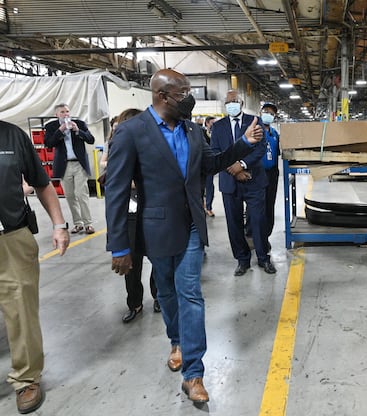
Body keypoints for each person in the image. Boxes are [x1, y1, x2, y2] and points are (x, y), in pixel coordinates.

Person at [105, 69, 263, 405]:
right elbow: (116, 191)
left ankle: (193, 373)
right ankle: (176, 339)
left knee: (190, 293)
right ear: (162, 95)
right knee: (167, 290)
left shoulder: (192, 130)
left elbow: (212, 164)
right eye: (184, 92)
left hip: (191, 224)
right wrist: (119, 246)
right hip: (156, 227)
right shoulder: (132, 132)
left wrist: (242, 144)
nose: (189, 98)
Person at [0, 120, 70, 414]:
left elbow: (41, 182)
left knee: (21, 310)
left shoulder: (12, 135)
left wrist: (59, 225)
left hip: (11, 236)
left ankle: (26, 378)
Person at [103, 108, 160, 323]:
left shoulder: (153, 149)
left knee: (158, 260)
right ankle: (134, 302)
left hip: (151, 213)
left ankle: (159, 297)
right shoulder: (117, 146)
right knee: (131, 265)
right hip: (129, 215)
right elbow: (111, 179)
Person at [211, 90, 276, 276]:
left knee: (258, 221)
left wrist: (242, 165)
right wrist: (233, 168)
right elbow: (215, 152)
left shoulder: (254, 122)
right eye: (229, 101)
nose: (232, 104)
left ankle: (264, 258)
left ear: (241, 102)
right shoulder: (218, 127)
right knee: (234, 222)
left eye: (235, 101)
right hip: (230, 182)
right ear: (225, 105)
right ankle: (242, 259)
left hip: (253, 179)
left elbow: (260, 148)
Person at [44, 103, 96, 234]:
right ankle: (78, 223)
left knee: (81, 193)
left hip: (79, 163)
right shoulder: (51, 127)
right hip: (64, 165)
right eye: (62, 112)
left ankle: (88, 223)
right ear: (56, 115)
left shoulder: (80, 123)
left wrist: (78, 131)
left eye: (67, 111)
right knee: (70, 195)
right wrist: (60, 131)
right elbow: (48, 143)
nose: (66, 114)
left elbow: (91, 140)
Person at [260, 102, 281, 241]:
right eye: (266, 111)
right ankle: (253, 235)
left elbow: (277, 153)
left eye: (272, 114)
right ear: (261, 111)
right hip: (257, 173)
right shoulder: (254, 130)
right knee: (256, 206)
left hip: (272, 174)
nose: (269, 114)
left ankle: (266, 235)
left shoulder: (275, 134)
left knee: (269, 205)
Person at [202, 116, 217, 217]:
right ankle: (202, 206)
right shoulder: (201, 134)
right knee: (200, 187)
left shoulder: (216, 134)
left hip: (211, 166)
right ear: (207, 123)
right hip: (201, 165)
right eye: (212, 123)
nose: (214, 125)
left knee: (210, 186)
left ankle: (209, 207)